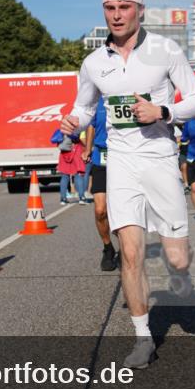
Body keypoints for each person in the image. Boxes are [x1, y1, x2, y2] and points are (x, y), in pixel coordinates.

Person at [62, 0, 195, 369]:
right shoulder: (94, 62)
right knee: (130, 252)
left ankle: (181, 272)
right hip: (121, 163)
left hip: (160, 159)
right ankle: (143, 338)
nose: (117, 15)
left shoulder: (166, 50)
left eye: (124, 7)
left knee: (177, 258)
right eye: (110, 8)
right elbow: (84, 107)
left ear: (140, 11)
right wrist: (74, 121)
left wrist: (163, 112)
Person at [83, 97, 118, 271]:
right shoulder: (98, 101)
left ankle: (128, 248)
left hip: (124, 157)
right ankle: (108, 247)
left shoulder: (125, 95)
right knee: (100, 210)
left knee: (123, 209)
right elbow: (91, 125)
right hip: (101, 158)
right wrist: (88, 149)